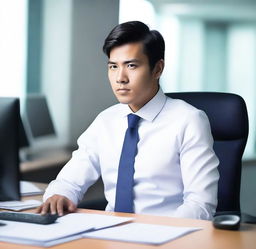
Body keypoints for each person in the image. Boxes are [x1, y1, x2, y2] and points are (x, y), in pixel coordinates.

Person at [37, 21, 219, 220]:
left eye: (131, 66)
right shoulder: (106, 121)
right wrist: (60, 195)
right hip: (110, 235)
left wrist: (162, 237)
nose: (120, 78)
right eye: (113, 66)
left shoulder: (189, 121)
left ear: (157, 69)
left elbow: (200, 204)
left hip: (166, 236)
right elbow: (70, 180)